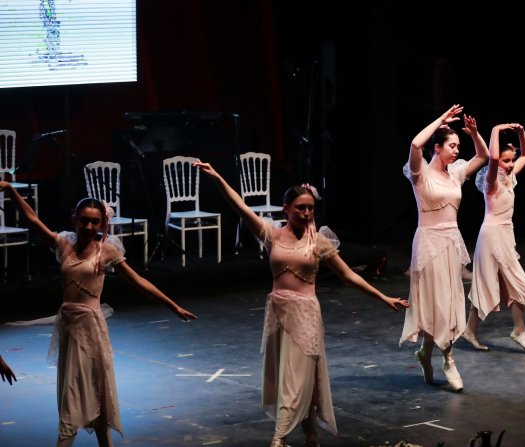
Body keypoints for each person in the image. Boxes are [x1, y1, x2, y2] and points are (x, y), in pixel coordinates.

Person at [193, 162, 408, 447]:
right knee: (292, 376)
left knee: (299, 376)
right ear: (286, 209)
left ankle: (279, 437)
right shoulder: (271, 234)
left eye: (310, 208)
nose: (306, 213)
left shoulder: (318, 242)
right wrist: (218, 177)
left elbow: (348, 275)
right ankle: (311, 435)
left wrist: (383, 297)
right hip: (279, 314)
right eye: (300, 208)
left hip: (305, 316)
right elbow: (241, 208)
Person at [0, 180, 197, 447]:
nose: (89, 227)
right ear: (74, 219)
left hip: (91, 330)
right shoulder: (63, 243)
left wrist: (173, 306)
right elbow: (33, 220)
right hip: (69, 328)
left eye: (95, 222)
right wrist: (11, 190)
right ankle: (71, 435)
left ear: (102, 224)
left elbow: (138, 281)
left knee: (98, 394)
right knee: (71, 392)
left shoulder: (106, 252)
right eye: (84, 221)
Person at [399, 104, 489, 392]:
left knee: (449, 302)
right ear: (437, 148)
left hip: (450, 242)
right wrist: (440, 120)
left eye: (458, 146)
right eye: (452, 145)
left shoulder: (456, 174)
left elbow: (483, 156)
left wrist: (474, 133)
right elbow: (416, 144)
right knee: (432, 303)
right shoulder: (420, 174)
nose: (456, 150)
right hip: (428, 243)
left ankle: (438, 355)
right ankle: (442, 356)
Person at [464, 123, 525, 352]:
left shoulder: (510, 177)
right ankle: (477, 331)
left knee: (511, 283)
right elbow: (493, 158)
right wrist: (496, 129)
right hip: (491, 236)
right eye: (506, 161)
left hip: (505, 235)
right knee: (489, 284)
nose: (510, 164)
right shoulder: (491, 181)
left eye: (511, 160)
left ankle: (517, 330)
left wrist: (521, 133)